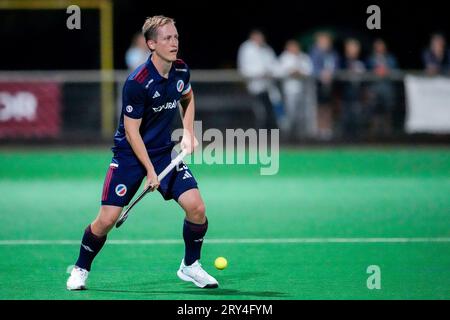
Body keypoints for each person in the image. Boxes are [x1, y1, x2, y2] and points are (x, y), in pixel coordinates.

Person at [66, 15, 219, 290]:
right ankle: (80, 268)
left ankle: (190, 266)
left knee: (197, 208)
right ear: (151, 44)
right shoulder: (137, 82)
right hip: (130, 156)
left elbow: (188, 96)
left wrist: (188, 132)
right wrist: (149, 171)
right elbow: (132, 132)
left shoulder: (181, 71)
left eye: (176, 37)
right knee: (107, 220)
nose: (174, 43)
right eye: (167, 38)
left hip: (164, 153)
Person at [237, 29, 281, 129]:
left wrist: (270, 73)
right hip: (253, 86)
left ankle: (269, 134)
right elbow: (244, 67)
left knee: (270, 110)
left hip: (268, 87)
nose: (260, 39)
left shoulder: (266, 49)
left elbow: (274, 65)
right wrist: (260, 73)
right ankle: (257, 134)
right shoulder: (246, 48)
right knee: (259, 111)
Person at [277, 39, 314, 137]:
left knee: (303, 114)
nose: (294, 49)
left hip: (304, 91)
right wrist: (290, 71)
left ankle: (302, 135)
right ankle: (288, 134)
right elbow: (278, 72)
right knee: (290, 113)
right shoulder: (284, 57)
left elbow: (310, 71)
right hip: (290, 90)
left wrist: (300, 72)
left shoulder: (304, 57)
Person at [309, 31, 340, 139]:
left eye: (327, 41)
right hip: (318, 84)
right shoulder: (315, 52)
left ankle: (327, 129)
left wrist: (331, 74)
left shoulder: (333, 53)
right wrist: (322, 74)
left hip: (331, 84)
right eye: (323, 41)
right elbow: (313, 68)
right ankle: (319, 129)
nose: (325, 43)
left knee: (329, 106)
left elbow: (336, 66)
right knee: (320, 106)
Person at [366, 38, 398, 136]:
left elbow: (395, 71)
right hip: (375, 89)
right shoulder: (371, 59)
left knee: (387, 112)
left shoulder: (390, 58)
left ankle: (388, 135)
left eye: (381, 46)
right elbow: (368, 71)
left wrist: (386, 71)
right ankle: (373, 136)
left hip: (387, 89)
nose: (379, 48)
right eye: (377, 46)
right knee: (374, 113)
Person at [339, 38, 367, 139]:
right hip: (345, 94)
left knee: (358, 117)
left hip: (358, 94)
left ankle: (358, 139)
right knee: (345, 117)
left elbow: (366, 79)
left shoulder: (362, 62)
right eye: (351, 48)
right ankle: (344, 139)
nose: (353, 50)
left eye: (355, 48)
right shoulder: (342, 61)